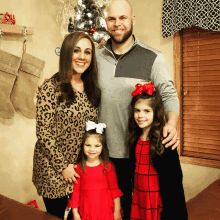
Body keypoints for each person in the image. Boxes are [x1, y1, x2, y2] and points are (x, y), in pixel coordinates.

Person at [96, 0, 180, 218]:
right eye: (112, 19)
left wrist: (172, 124)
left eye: (123, 18)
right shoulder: (96, 57)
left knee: (141, 209)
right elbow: (77, 82)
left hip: (138, 153)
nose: (117, 24)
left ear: (132, 19)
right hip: (103, 152)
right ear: (106, 22)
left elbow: (169, 94)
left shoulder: (152, 57)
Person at [32, 31, 101, 220]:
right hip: (52, 167)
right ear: (66, 53)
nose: (82, 57)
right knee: (56, 215)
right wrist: (63, 167)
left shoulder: (92, 89)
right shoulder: (50, 87)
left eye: (87, 52)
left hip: (78, 168)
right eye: (76, 50)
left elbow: (92, 129)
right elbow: (43, 133)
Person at [128, 82, 188, 220]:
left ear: (156, 113)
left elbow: (175, 180)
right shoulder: (134, 137)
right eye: (137, 110)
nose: (140, 115)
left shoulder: (165, 139)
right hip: (139, 196)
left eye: (147, 111)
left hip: (157, 200)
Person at [68, 121, 123, 220]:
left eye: (97, 146)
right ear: (82, 146)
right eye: (88, 145)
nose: (92, 149)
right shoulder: (79, 168)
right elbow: (75, 192)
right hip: (86, 211)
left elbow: (115, 191)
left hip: (105, 211)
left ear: (103, 147)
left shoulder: (108, 166)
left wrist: (117, 211)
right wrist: (75, 213)